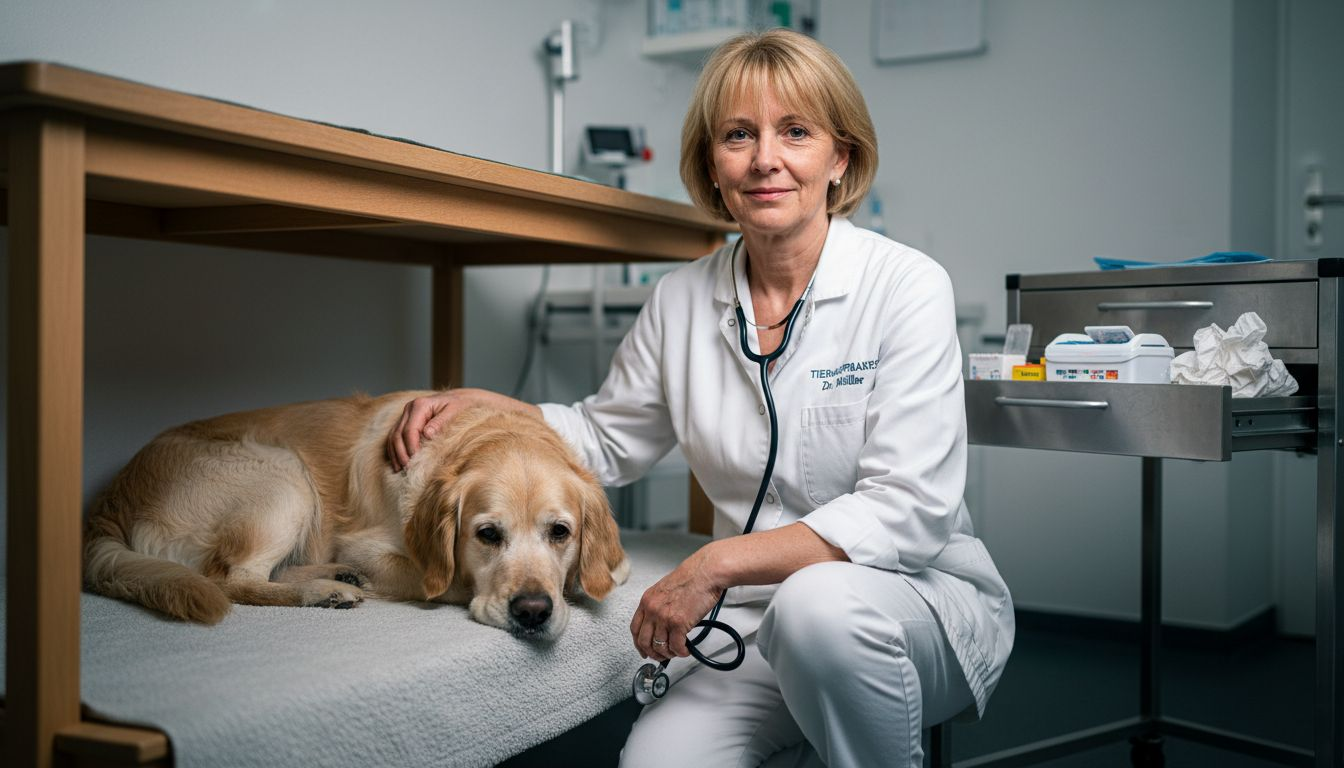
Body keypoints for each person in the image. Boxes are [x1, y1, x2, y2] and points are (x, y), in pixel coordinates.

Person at [386, 29, 1013, 768]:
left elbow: (909, 509)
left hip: (910, 606)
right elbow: (607, 438)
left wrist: (712, 565)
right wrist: (494, 406)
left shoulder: (906, 286)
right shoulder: (680, 299)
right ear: (713, 166)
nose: (765, 159)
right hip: (757, 620)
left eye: (797, 133)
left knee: (819, 607)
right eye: (738, 135)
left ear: (840, 158)